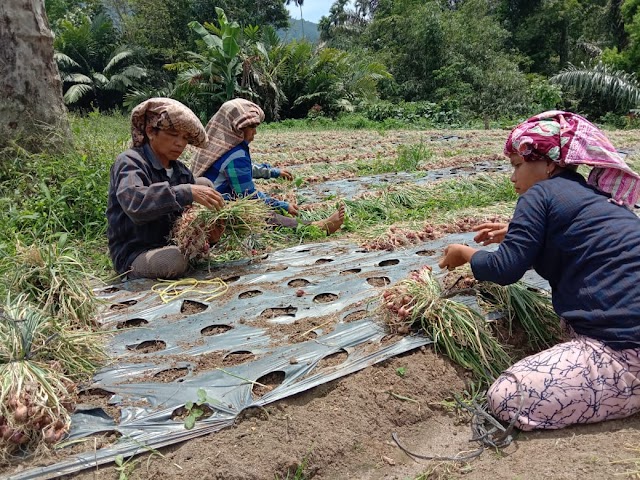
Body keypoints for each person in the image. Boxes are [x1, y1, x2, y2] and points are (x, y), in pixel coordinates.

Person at [438, 110, 640, 431]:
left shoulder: (539, 194)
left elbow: (505, 269)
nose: (513, 177)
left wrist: (466, 254)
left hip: (624, 352)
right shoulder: (593, 196)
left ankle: (625, 388)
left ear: (548, 165)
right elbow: (570, 240)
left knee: (507, 396)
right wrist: (519, 232)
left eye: (518, 165)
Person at [107, 98, 225, 280]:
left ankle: (189, 254)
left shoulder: (181, 171)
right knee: (172, 260)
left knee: (204, 185)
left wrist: (210, 235)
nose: (180, 143)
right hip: (136, 252)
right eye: (172, 134)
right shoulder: (130, 162)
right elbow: (135, 204)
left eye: (185, 138)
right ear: (150, 131)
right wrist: (186, 192)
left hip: (173, 243)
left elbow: (186, 220)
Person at [191, 98, 344, 234]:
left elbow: (245, 170)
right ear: (237, 128)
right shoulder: (236, 155)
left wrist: (273, 172)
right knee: (260, 214)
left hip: (206, 202)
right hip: (216, 209)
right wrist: (282, 205)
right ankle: (316, 226)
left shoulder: (219, 148)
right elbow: (248, 195)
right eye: (251, 127)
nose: (255, 133)